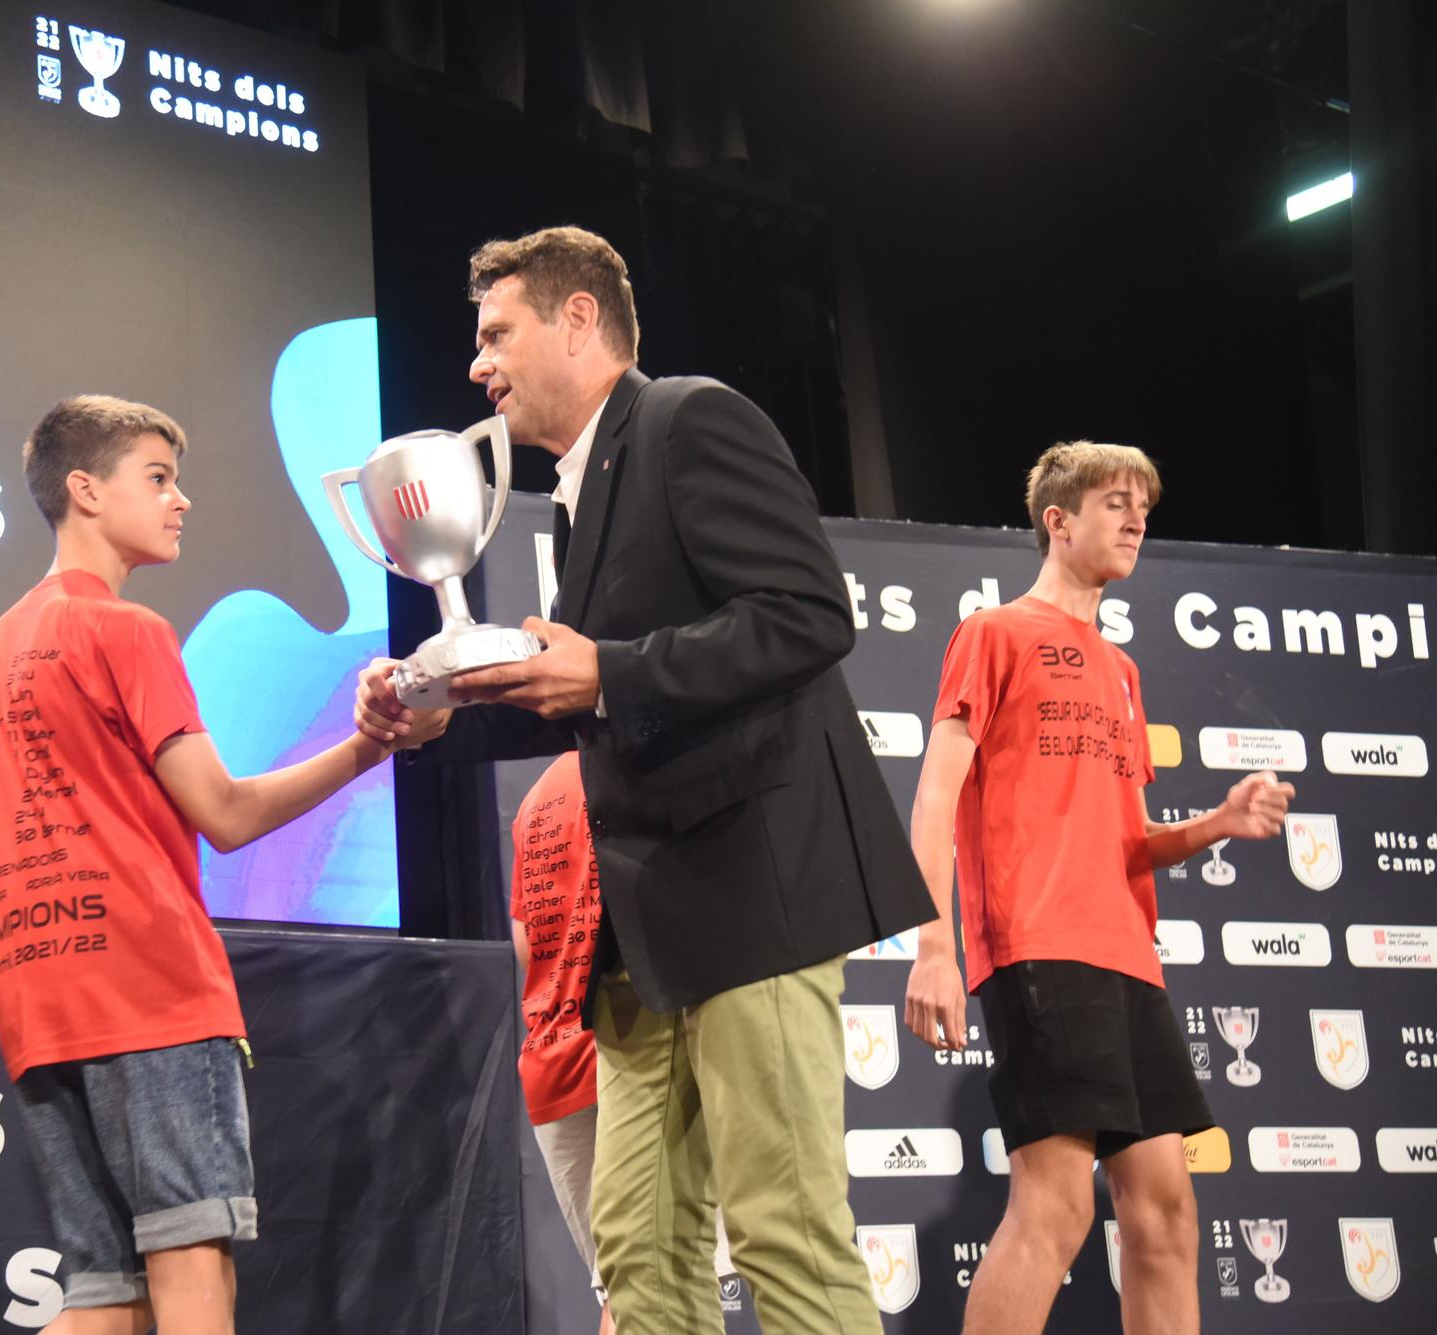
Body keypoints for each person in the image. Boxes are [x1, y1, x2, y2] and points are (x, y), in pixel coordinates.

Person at [356, 226, 931, 1335]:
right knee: (638, 1251)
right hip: (647, 933)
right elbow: (595, 701)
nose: (477, 365)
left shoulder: (686, 420)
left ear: (577, 321)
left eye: (496, 332)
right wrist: (432, 714)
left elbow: (809, 616)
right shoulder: (581, 490)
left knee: (783, 1234)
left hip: (745, 896)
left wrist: (605, 668)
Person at [0, 395, 439, 1335]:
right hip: (152, 992)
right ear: (85, 490)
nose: (182, 502)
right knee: (190, 1274)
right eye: (159, 479)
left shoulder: (4, 642)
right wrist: (372, 750)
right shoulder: (129, 632)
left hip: (40, 1010)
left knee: (100, 1298)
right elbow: (225, 813)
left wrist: (29, 965)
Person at [900, 441, 1294, 1335]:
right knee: (1057, 1207)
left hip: (1127, 957)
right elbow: (934, 795)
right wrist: (932, 944)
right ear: (1059, 520)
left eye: (1143, 507)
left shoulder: (1122, 672)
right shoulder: (994, 632)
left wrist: (1215, 824)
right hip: (1038, 949)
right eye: (1115, 502)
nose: (1135, 520)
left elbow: (1122, 844)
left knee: (1165, 1215)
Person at [512, 752, 735, 1335]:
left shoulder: (537, 797)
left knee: (633, 1287)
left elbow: (525, 943)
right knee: (651, 1285)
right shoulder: (646, 765)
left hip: (554, 1061)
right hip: (637, 1050)